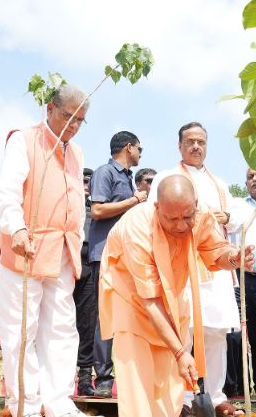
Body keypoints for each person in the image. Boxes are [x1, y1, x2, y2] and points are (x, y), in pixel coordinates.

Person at [99, 175, 254, 417]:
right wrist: (181, 352)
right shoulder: (137, 228)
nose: (181, 225)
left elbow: (215, 250)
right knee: (138, 376)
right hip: (131, 298)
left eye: (187, 217)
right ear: (157, 207)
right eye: (172, 219)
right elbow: (149, 300)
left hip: (173, 295)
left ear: (195, 204)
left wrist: (234, 258)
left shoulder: (201, 214)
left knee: (171, 378)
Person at [0, 84, 91, 417]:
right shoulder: (23, 138)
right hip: (26, 249)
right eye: (69, 116)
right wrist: (17, 228)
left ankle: (58, 401)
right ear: (50, 109)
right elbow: (7, 192)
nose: (74, 125)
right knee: (21, 330)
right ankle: (25, 404)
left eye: (81, 120)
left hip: (63, 252)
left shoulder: (76, 152)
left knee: (62, 328)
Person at [149, 122, 242, 416]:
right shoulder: (167, 177)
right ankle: (184, 399)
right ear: (179, 146)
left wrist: (225, 217)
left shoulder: (220, 183)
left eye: (201, 141)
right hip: (182, 263)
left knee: (216, 332)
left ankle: (216, 395)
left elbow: (238, 219)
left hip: (215, 266)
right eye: (190, 141)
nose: (196, 147)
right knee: (184, 330)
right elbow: (155, 215)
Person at [88, 131, 145, 397]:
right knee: (105, 316)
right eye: (139, 149)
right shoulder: (105, 172)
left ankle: (128, 376)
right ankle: (103, 379)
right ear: (129, 147)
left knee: (128, 316)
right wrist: (135, 200)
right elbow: (97, 210)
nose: (140, 154)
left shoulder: (128, 178)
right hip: (106, 254)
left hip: (127, 255)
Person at [229, 167, 256, 398]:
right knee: (238, 333)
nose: (254, 180)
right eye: (250, 177)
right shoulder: (237, 206)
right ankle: (240, 388)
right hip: (241, 280)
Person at [73, 167, 95, 396]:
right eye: (82, 180)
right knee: (59, 323)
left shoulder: (96, 209)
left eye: (90, 180)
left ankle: (85, 377)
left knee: (87, 325)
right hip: (65, 265)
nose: (86, 184)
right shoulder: (65, 205)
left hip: (90, 266)